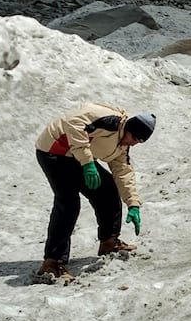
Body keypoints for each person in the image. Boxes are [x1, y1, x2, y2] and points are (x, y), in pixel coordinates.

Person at [33, 103, 156, 284]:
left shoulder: (123, 143)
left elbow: (123, 172)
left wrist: (133, 204)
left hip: (78, 156)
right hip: (54, 151)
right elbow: (74, 123)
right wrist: (88, 163)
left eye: (139, 142)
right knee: (68, 203)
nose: (134, 143)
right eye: (134, 138)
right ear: (128, 128)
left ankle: (109, 242)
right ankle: (51, 263)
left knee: (107, 191)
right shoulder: (111, 121)